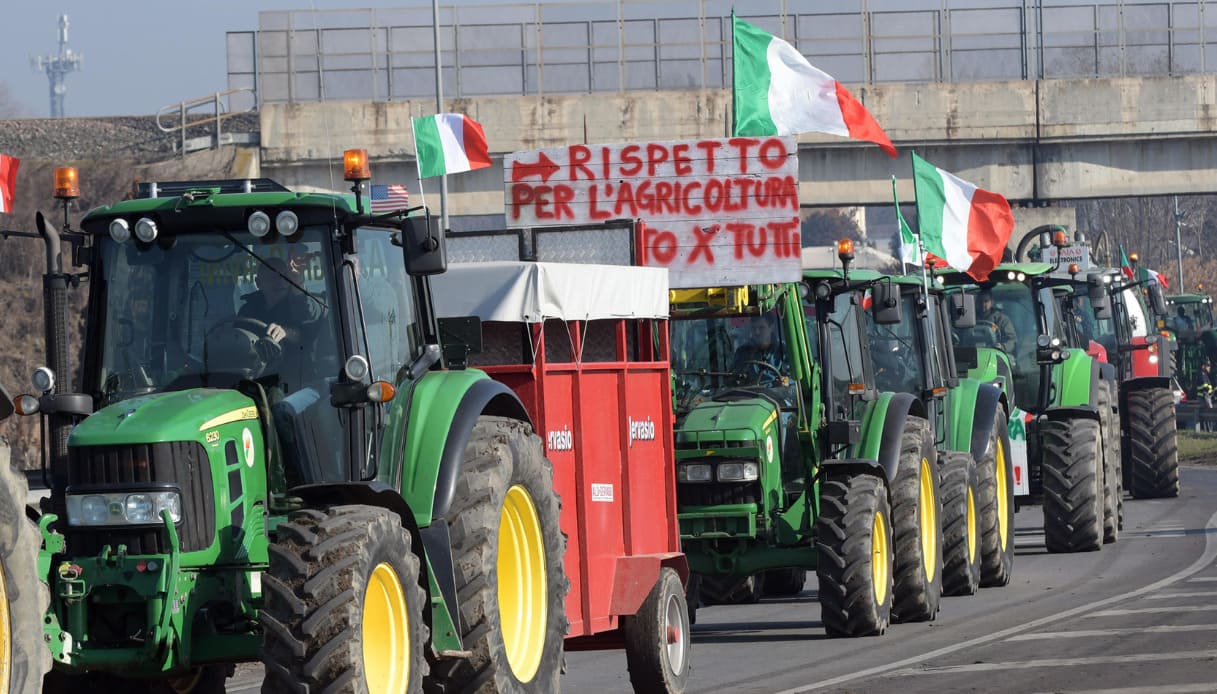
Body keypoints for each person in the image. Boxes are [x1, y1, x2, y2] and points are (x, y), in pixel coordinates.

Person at [238, 255, 322, 388]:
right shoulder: (248, 309)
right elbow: (238, 339)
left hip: (297, 382)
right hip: (255, 378)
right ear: (258, 282)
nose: (280, 282)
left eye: (284, 277)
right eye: (272, 278)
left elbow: (307, 326)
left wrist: (285, 332)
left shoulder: (300, 304)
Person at [732, 313, 788, 385]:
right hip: (750, 393)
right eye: (753, 328)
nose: (757, 332)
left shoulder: (784, 350)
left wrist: (785, 381)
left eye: (761, 328)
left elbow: (793, 378)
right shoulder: (742, 352)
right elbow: (735, 375)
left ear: (771, 327)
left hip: (777, 394)